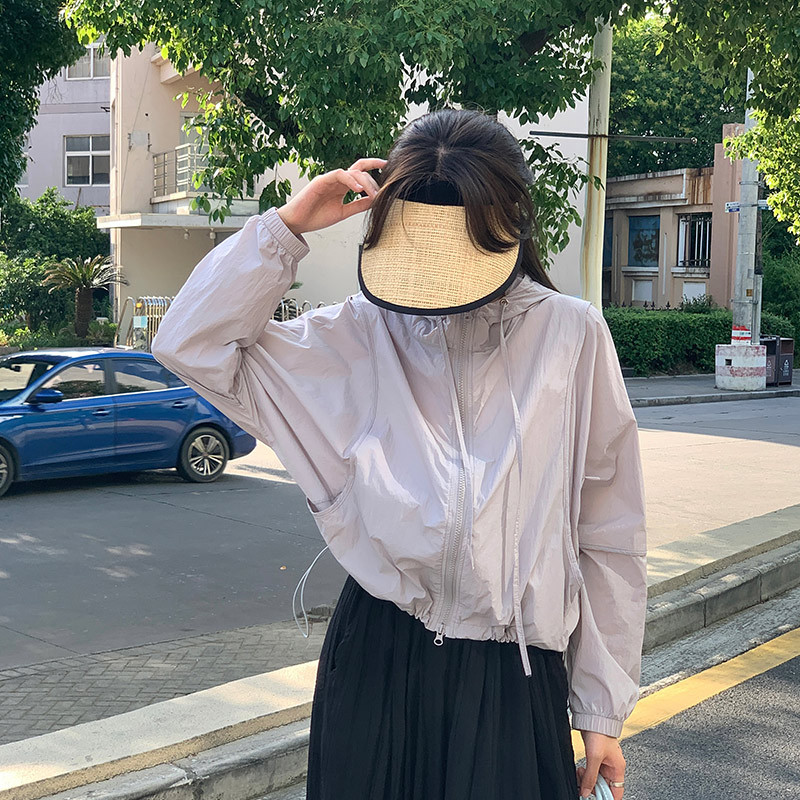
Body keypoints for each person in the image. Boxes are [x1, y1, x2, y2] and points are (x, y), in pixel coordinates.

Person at [151, 108, 648, 800]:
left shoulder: (571, 336)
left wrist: (600, 709)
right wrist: (286, 229)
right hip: (376, 662)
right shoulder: (356, 333)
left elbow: (609, 532)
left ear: (509, 223)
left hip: (513, 674)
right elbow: (188, 344)